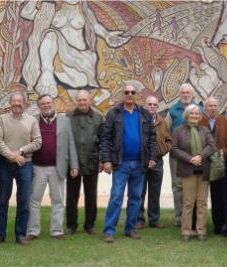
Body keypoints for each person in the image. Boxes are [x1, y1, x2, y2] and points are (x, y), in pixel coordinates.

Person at [101, 84, 158, 242]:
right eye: (127, 92)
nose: (130, 94)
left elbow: (152, 138)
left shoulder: (144, 114)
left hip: (140, 163)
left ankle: (130, 228)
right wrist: (106, 160)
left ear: (136, 95)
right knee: (116, 196)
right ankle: (109, 231)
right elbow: (105, 139)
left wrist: (153, 157)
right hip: (121, 163)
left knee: (136, 198)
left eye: (133, 92)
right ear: (122, 94)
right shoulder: (114, 114)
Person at [0, 93, 42, 246]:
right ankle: (0, 234)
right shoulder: (2, 119)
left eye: (20, 101)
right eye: (14, 101)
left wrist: (20, 151)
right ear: (10, 103)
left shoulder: (32, 120)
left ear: (24, 104)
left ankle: (20, 234)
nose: (17, 103)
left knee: (24, 200)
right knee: (1, 201)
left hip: (25, 164)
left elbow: (38, 141)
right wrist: (11, 156)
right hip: (5, 165)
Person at [26, 94, 79, 241]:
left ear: (53, 104)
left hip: (58, 168)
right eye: (43, 103)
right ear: (39, 106)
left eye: (48, 103)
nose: (46, 105)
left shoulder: (65, 121)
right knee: (34, 200)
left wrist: (74, 165)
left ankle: (56, 230)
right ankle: (33, 230)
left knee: (58, 200)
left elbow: (70, 143)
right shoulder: (32, 120)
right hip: (37, 168)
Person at [172, 104, 216, 242]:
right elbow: (175, 149)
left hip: (204, 171)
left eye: (196, 113)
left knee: (202, 202)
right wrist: (190, 159)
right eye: (191, 113)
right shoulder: (179, 130)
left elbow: (212, 145)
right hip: (187, 170)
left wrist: (200, 156)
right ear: (186, 115)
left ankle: (201, 231)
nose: (194, 116)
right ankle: (186, 231)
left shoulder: (205, 130)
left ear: (199, 116)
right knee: (188, 202)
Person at [198, 97, 227, 234]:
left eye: (215, 105)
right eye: (210, 105)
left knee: (218, 197)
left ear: (218, 107)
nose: (213, 108)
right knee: (200, 197)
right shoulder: (199, 119)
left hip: (219, 163)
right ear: (206, 107)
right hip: (202, 163)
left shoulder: (223, 120)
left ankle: (219, 226)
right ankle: (197, 226)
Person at [66, 90, 104, 235]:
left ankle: (89, 225)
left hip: (92, 161)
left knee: (91, 195)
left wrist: (102, 159)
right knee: (71, 195)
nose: (82, 102)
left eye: (84, 100)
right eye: (79, 100)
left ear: (89, 100)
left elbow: (103, 139)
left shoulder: (98, 116)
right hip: (73, 164)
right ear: (76, 101)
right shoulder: (69, 117)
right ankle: (71, 225)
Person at [165, 84, 203, 227]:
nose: (185, 95)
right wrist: (172, 147)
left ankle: (193, 218)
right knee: (178, 187)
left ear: (192, 94)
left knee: (195, 186)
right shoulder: (173, 110)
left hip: (196, 157)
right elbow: (167, 130)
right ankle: (179, 218)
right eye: (183, 93)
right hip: (176, 157)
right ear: (180, 94)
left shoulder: (200, 110)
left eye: (188, 92)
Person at [136, 96, 172, 229]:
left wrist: (163, 150)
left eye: (154, 104)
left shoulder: (163, 122)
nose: (152, 106)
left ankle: (154, 219)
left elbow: (169, 140)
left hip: (157, 161)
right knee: (140, 191)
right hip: (141, 161)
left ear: (158, 107)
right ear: (145, 106)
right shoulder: (139, 120)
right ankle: (139, 220)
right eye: (149, 104)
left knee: (155, 191)